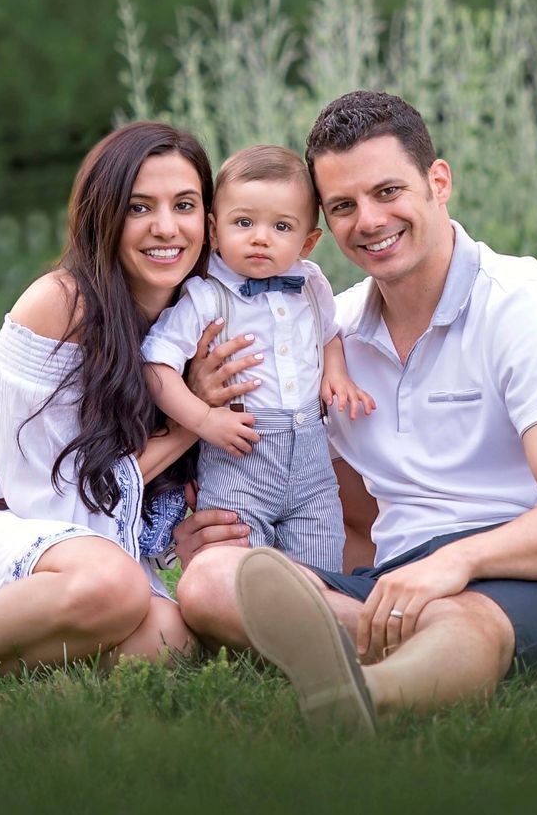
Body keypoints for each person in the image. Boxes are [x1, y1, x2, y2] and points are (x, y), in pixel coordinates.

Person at [174, 91, 537, 732]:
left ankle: (366, 695)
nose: (368, 220)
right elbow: (333, 500)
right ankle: (407, 651)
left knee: (463, 614)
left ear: (438, 181)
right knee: (210, 582)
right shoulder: (327, 330)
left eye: (388, 191)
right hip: (397, 577)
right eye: (343, 206)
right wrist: (223, 521)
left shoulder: (523, 302)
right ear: (324, 225)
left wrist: (454, 563)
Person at [0, 121, 260, 670]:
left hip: (88, 569)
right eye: (140, 208)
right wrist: (192, 416)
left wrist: (183, 538)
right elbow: (53, 503)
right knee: (115, 585)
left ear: (207, 222)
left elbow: (137, 509)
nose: (166, 228)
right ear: (105, 216)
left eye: (184, 205)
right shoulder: (60, 306)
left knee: (175, 639)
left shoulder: (195, 317)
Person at [141, 145, 375, 570]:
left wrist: (335, 375)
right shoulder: (206, 296)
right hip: (239, 457)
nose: (260, 237)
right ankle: (241, 622)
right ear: (214, 229)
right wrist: (205, 419)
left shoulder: (310, 284)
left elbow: (330, 334)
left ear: (308, 241)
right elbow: (156, 368)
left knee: (319, 556)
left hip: (310, 459)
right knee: (238, 566)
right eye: (243, 222)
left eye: (281, 226)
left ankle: (312, 625)